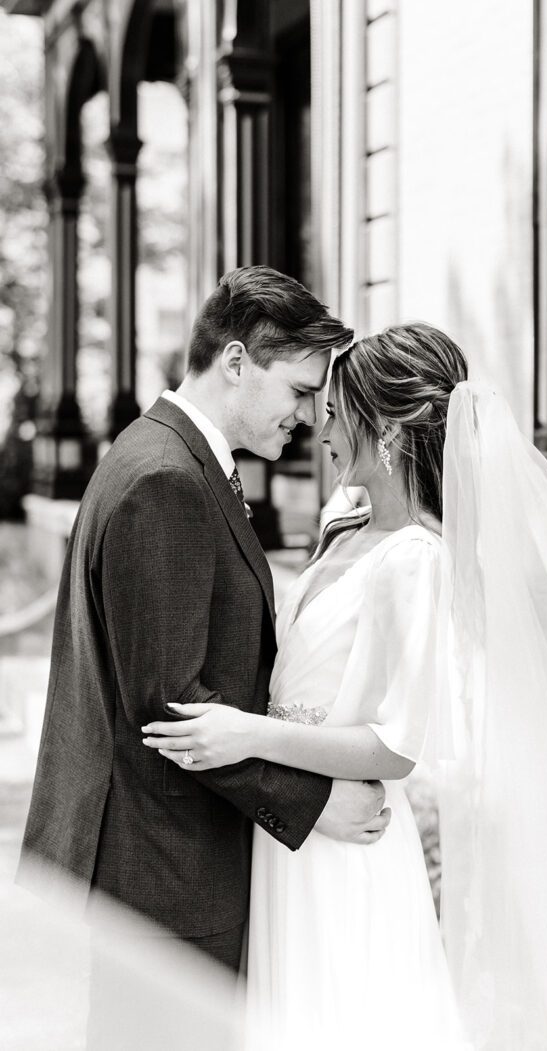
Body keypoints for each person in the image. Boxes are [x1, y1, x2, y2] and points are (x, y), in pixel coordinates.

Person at [145, 321, 547, 1051]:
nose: (320, 429)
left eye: (336, 413)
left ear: (389, 430)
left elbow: (396, 745)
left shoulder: (415, 559)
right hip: (293, 833)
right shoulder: (344, 529)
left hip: (348, 848)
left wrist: (246, 734)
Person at [17, 267, 391, 999]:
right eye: (300, 390)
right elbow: (170, 706)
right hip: (165, 869)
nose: (309, 416)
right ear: (236, 361)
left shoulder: (167, 456)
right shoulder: (166, 480)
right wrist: (313, 801)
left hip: (162, 862)